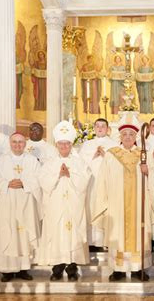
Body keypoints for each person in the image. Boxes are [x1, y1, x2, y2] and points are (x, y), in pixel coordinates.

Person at [93, 113, 154, 282]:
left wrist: (148, 171)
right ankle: (118, 269)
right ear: (119, 136)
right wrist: (104, 203)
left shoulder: (144, 155)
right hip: (117, 204)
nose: (128, 137)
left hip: (138, 204)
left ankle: (137, 268)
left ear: (136, 137)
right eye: (125, 134)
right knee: (117, 233)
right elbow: (102, 181)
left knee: (138, 234)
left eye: (131, 134)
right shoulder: (111, 155)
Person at [38, 121, 91, 282]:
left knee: (73, 235)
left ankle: (72, 269)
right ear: (56, 144)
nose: (64, 146)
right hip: (55, 206)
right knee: (57, 235)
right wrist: (57, 175)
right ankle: (57, 268)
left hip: (73, 206)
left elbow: (85, 181)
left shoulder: (79, 162)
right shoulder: (49, 163)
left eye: (66, 143)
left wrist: (70, 174)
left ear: (71, 144)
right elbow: (43, 182)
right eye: (61, 143)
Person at [0, 133, 42, 282]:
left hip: (26, 201)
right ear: (10, 143)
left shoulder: (32, 161)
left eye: (20, 142)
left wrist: (24, 183)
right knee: (7, 232)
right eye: (14, 142)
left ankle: (24, 268)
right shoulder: (0, 161)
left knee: (24, 233)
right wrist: (6, 184)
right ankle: (7, 270)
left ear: (25, 144)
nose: (17, 145)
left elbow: (39, 178)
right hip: (6, 200)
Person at [78, 118, 118, 250]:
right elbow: (80, 165)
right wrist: (94, 156)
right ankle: (91, 241)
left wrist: (106, 155)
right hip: (91, 183)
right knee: (90, 208)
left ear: (108, 129)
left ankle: (105, 240)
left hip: (107, 184)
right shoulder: (87, 145)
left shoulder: (114, 145)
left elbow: (118, 165)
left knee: (105, 209)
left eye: (103, 126)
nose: (100, 128)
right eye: (98, 126)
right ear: (94, 128)